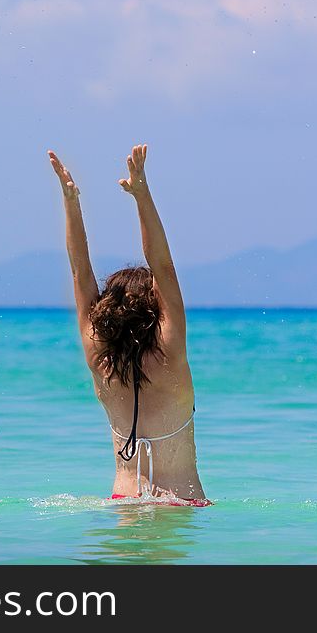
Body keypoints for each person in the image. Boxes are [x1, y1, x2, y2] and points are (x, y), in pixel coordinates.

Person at [47, 144, 209, 507]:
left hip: (122, 502)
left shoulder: (100, 362)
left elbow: (80, 272)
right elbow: (163, 268)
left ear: (107, 312)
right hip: (181, 503)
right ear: (154, 310)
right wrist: (142, 194)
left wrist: (71, 203)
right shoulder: (170, 352)